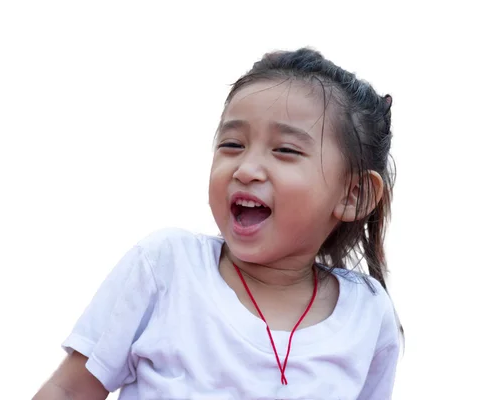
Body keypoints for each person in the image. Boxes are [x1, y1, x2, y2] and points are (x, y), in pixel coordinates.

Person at [33, 48, 401, 400]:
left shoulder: (368, 314)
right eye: (232, 144)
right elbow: (69, 389)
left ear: (354, 195)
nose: (246, 169)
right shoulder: (167, 268)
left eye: (285, 150)